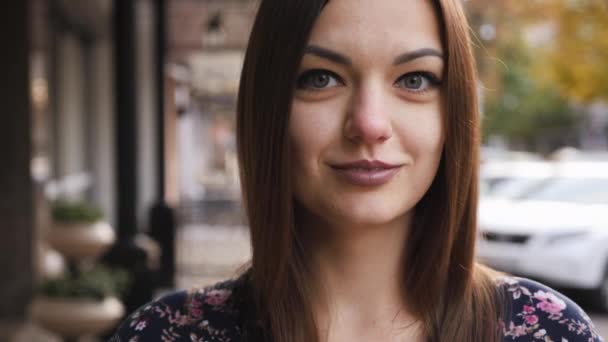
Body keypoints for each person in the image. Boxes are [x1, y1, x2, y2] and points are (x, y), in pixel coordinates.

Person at [109, 0, 604, 341]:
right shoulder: (165, 334)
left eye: (414, 79)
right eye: (321, 78)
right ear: (268, 110)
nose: (368, 124)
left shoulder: (547, 332)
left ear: (452, 114)